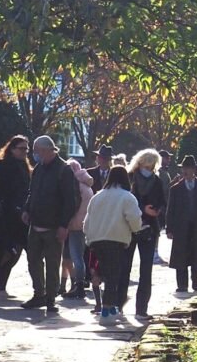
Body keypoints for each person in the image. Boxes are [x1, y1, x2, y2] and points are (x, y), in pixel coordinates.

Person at [21, 135, 79, 313]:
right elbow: (32, 192)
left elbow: (72, 200)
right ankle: (39, 294)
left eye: (37, 151)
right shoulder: (38, 169)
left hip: (54, 227)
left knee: (53, 264)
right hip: (36, 224)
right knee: (33, 261)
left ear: (46, 150)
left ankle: (50, 299)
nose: (35, 155)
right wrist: (26, 209)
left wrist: (64, 225)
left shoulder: (64, 171)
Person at [83, 166, 143, 322]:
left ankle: (108, 308)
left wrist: (89, 240)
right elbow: (135, 221)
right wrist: (136, 229)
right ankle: (107, 312)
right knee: (112, 277)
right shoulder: (127, 197)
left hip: (96, 241)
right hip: (116, 241)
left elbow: (86, 223)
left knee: (103, 273)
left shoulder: (97, 197)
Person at [120, 149, 165, 319]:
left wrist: (158, 211)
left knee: (146, 270)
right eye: (148, 163)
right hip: (130, 227)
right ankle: (119, 303)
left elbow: (162, 201)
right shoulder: (130, 178)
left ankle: (141, 309)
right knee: (124, 268)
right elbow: (124, 201)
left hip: (149, 227)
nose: (150, 167)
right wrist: (141, 208)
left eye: (153, 164)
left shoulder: (157, 181)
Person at [0, 136, 31, 299]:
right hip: (5, 216)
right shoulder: (2, 165)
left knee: (14, 253)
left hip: (20, 217)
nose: (25, 152)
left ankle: (2, 288)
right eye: (21, 148)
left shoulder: (25, 166)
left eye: (27, 149)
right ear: (12, 149)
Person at [165, 156, 197, 293]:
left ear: (194, 170)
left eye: (188, 168)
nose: (185, 171)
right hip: (181, 227)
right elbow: (171, 210)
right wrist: (169, 228)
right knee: (180, 256)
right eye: (184, 168)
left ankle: (195, 279)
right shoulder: (175, 189)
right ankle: (182, 284)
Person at [62, 159, 94, 299]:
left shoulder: (75, 185)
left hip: (74, 225)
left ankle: (79, 285)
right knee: (72, 256)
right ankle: (72, 284)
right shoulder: (87, 185)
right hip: (84, 224)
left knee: (76, 257)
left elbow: (71, 205)